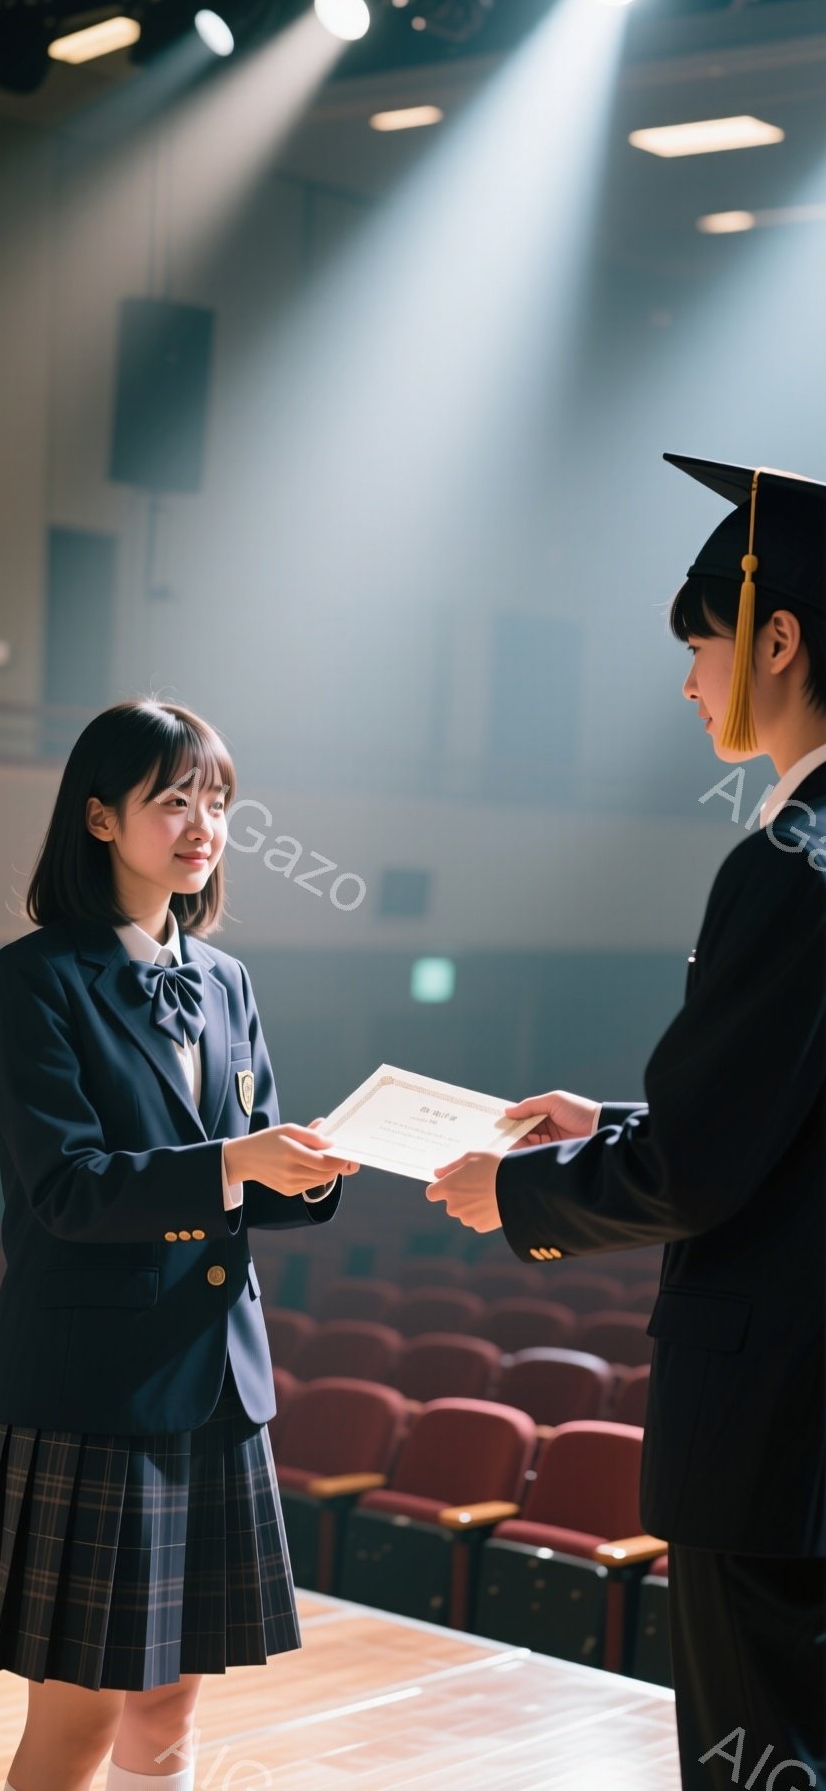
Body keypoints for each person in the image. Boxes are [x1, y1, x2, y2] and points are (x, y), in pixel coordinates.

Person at [425, 453, 826, 1787]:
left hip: (774, 1423)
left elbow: (703, 1169)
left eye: (700, 645)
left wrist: (514, 1194)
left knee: (758, 1752)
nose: (690, 682)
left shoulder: (789, 863)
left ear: (778, 639)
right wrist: (609, 1117)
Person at [0, 698, 358, 1791]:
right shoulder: (35, 977)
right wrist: (235, 1162)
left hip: (215, 1382)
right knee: (78, 1720)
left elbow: (244, 1163)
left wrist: (308, 1172)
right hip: (93, 1389)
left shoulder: (226, 979)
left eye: (216, 801)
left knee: (171, 1705)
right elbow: (68, 1191)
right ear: (98, 818)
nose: (202, 824)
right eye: (172, 800)